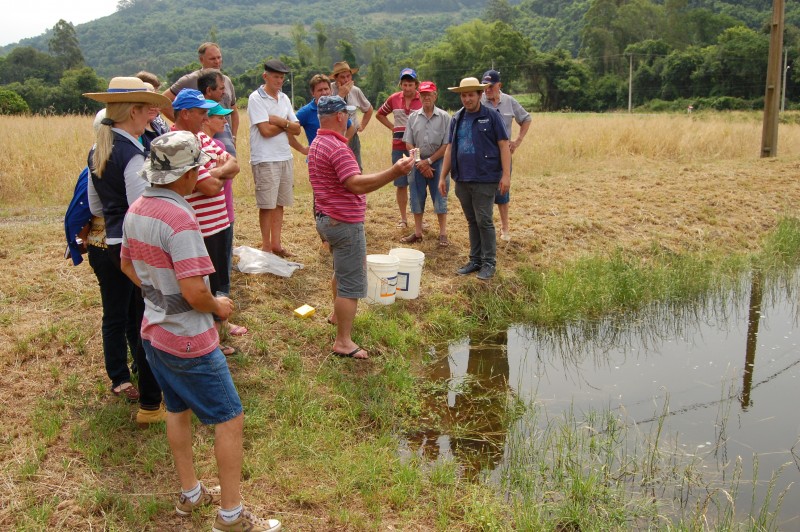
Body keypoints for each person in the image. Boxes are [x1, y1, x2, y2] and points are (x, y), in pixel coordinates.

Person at [120, 131, 282, 532]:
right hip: (189, 340)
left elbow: (126, 264)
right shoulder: (180, 219)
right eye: (197, 170)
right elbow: (195, 292)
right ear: (187, 175)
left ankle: (190, 493)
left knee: (178, 409)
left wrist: (159, 294)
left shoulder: (137, 208)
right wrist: (218, 306)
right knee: (229, 418)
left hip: (154, 333)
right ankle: (231, 516)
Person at [82, 77, 168, 426]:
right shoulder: (132, 154)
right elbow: (140, 211)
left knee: (129, 320)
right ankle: (151, 404)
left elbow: (93, 203)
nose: (155, 110)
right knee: (145, 323)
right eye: (148, 105)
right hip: (131, 250)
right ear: (133, 111)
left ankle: (144, 391)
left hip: (109, 245)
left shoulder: (99, 149)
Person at [309, 96, 414, 359]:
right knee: (351, 284)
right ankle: (343, 341)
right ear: (341, 117)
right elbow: (355, 184)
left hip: (327, 219)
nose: (352, 119)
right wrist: (394, 172)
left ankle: (336, 314)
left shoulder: (317, 142)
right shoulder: (337, 148)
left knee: (340, 270)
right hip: (343, 223)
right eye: (349, 115)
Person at [172, 88, 242, 355]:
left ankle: (217, 335)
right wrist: (217, 171)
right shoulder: (176, 141)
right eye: (201, 112)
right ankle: (206, 341)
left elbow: (233, 164)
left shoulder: (200, 137)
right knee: (202, 286)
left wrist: (213, 172)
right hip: (199, 227)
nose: (205, 117)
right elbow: (211, 187)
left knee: (218, 282)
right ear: (185, 113)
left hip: (219, 223)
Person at [438, 77, 510, 281]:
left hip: (485, 178)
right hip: (462, 178)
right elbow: (450, 148)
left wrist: (506, 175)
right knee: (472, 220)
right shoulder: (457, 118)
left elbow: (504, 145)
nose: (467, 99)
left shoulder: (492, 116)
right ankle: (475, 259)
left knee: (484, 220)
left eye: (471, 94)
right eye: (463, 95)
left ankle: (489, 263)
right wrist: (442, 176)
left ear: (480, 95)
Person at [248, 59, 301, 257]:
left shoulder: (284, 98)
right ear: (265, 76)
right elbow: (265, 131)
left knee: (280, 203)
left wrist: (278, 120)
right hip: (265, 158)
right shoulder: (256, 98)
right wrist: (286, 124)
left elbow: (297, 129)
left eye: (281, 77)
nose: (279, 81)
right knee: (267, 204)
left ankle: (277, 245)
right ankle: (266, 246)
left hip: (284, 156)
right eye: (276, 77)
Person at [481, 69, 531, 242]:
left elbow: (526, 119)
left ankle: (505, 228)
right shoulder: (479, 101)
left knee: (503, 189)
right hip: (484, 155)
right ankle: (487, 228)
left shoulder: (509, 101)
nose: (487, 90)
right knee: (484, 191)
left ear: (499, 85)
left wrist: (517, 141)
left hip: (504, 154)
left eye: (491, 86)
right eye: (485, 86)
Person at [162, 42, 239, 156]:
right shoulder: (190, 80)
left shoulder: (226, 80)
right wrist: (187, 124)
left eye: (219, 57)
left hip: (225, 133)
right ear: (201, 60)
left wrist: (233, 135)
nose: (217, 62)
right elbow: (164, 101)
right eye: (212, 58)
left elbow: (234, 110)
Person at [401, 81, 451, 246]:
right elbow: (408, 142)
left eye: (429, 94)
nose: (426, 98)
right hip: (417, 162)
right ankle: (417, 232)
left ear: (435, 96)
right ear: (419, 96)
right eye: (423, 94)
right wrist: (419, 162)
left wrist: (429, 162)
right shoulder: (413, 117)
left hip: (439, 162)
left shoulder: (445, 117)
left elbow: (446, 145)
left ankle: (443, 234)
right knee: (416, 196)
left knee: (440, 196)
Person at [376, 68, 422, 229]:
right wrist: (393, 127)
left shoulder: (422, 98)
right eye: (404, 84)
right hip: (398, 146)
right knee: (401, 183)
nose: (407, 88)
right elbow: (380, 114)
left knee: (418, 183)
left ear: (416, 85)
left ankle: (419, 218)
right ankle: (403, 218)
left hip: (417, 146)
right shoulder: (393, 99)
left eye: (410, 84)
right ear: (400, 85)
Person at [293, 73, 355, 153]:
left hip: (336, 155)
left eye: (326, 89)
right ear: (312, 93)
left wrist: (344, 144)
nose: (324, 93)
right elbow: (288, 130)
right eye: (320, 90)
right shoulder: (306, 111)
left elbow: (351, 127)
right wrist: (302, 149)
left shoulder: (336, 107)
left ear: (331, 90)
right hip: (316, 158)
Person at [330, 61, 373, 170]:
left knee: (356, 169)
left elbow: (369, 109)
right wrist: (341, 94)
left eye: (348, 76)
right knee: (337, 169)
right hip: (334, 138)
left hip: (353, 137)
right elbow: (327, 113)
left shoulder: (356, 91)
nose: (346, 80)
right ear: (336, 78)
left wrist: (362, 125)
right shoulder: (329, 90)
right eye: (342, 77)